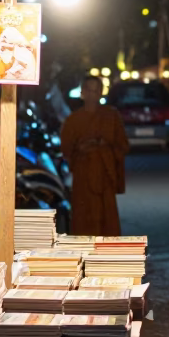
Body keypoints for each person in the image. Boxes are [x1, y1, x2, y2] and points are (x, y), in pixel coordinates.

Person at [61, 75, 129, 235]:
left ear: (101, 93)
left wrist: (104, 146)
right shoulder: (73, 120)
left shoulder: (111, 116)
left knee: (107, 219)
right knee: (83, 219)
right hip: (83, 178)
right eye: (88, 91)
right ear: (82, 93)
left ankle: (107, 255)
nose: (92, 95)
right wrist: (82, 149)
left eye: (96, 91)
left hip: (105, 176)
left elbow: (123, 145)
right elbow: (66, 150)